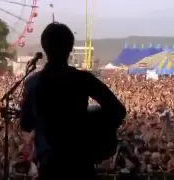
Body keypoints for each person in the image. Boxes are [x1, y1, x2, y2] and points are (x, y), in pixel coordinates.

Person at [20, 22, 126, 180]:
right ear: (70, 48)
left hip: (50, 167)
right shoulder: (83, 79)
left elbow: (26, 124)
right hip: (80, 164)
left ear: (44, 48)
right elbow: (118, 110)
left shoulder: (33, 83)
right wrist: (93, 127)